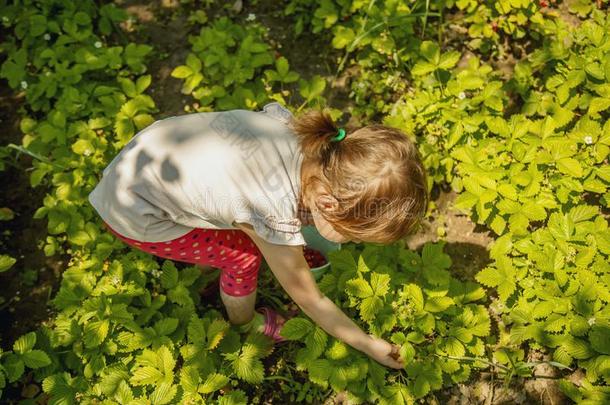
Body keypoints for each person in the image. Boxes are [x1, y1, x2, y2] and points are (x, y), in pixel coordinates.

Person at [88, 102, 428, 370]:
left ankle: (203, 265)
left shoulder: (310, 143)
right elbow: (310, 299)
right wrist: (368, 343)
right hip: (135, 213)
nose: (350, 244)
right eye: (354, 237)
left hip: (147, 156)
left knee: (237, 231)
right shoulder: (271, 208)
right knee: (245, 257)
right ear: (326, 202)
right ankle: (245, 324)